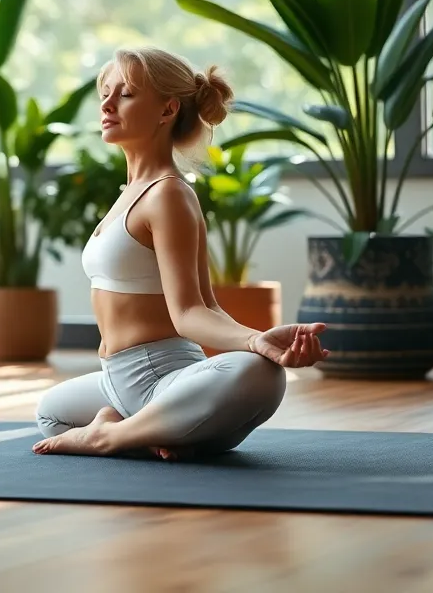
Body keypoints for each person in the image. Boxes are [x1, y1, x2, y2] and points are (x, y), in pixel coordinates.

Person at [32, 47, 328, 461]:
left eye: (126, 94)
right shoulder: (130, 193)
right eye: (106, 92)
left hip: (164, 375)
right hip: (115, 379)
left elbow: (192, 310)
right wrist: (253, 338)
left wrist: (256, 342)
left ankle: (109, 436)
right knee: (49, 413)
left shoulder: (168, 194)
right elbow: (210, 304)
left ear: (166, 110)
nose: (107, 103)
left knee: (259, 375)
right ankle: (151, 430)